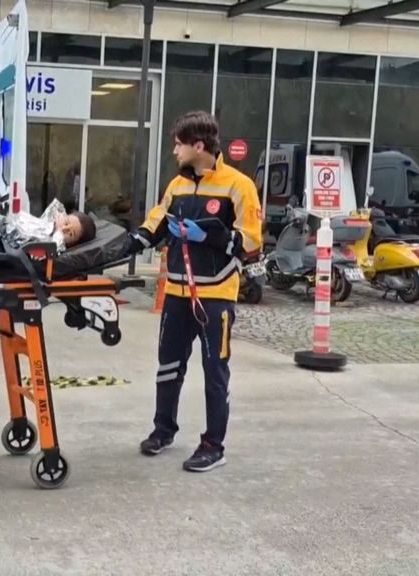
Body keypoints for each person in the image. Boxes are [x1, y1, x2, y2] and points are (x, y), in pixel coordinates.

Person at [124, 110, 263, 472]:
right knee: (168, 365)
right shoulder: (177, 185)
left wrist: (210, 235)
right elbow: (155, 222)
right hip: (176, 291)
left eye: (179, 145)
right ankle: (163, 430)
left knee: (215, 370)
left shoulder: (239, 186)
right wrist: (131, 242)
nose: (175, 151)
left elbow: (252, 243)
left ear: (198, 146)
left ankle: (213, 445)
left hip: (216, 296)